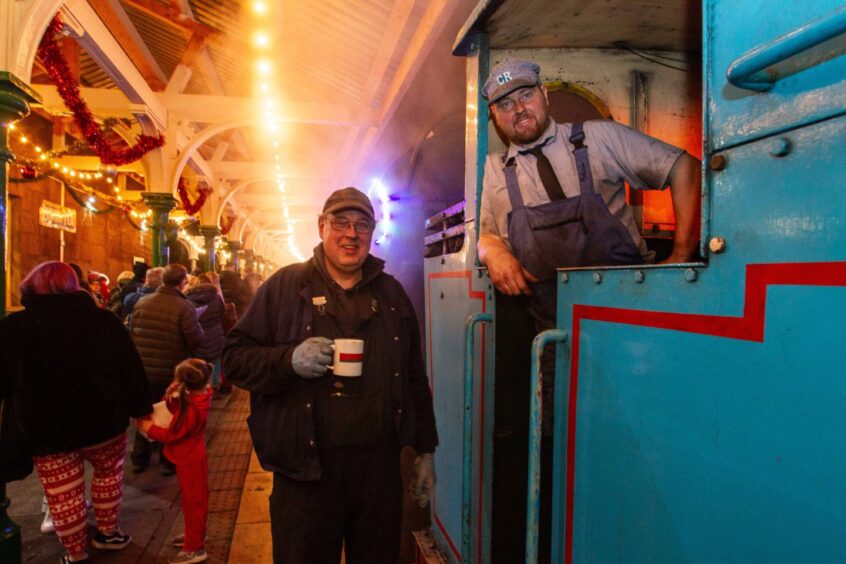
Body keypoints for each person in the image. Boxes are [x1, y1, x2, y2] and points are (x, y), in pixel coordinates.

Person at [477, 58, 702, 561]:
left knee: (644, 455)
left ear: (545, 97)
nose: (519, 109)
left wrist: (682, 254)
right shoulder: (493, 173)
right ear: (494, 118)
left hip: (633, 333)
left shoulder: (598, 139)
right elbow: (483, 231)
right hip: (556, 341)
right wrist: (494, 251)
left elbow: (684, 167)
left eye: (526, 96)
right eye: (505, 105)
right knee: (570, 461)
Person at [223, 187, 438, 563]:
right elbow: (235, 359)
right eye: (340, 222)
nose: (351, 234)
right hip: (306, 474)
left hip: (378, 473)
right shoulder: (286, 287)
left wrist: (425, 451)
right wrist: (289, 360)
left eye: (361, 224)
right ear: (321, 227)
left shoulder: (391, 295)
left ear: (373, 233)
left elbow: (415, 378)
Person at [0, 261, 152, 563]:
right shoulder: (104, 322)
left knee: (63, 493)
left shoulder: (15, 328)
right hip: (104, 423)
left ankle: (75, 552)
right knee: (109, 475)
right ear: (75, 286)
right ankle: (109, 533)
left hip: (46, 430)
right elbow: (130, 369)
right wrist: (140, 409)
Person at [129, 263, 204, 475]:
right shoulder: (184, 307)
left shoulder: (142, 302)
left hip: (145, 368)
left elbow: (133, 331)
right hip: (171, 369)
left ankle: (139, 457)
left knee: (146, 410)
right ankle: (167, 458)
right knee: (171, 412)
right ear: (183, 282)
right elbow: (195, 339)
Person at [137, 359, 213, 564]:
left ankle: (196, 548)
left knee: (194, 503)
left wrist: (148, 428)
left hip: (190, 459)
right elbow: (173, 405)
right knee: (193, 501)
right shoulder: (201, 395)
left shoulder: (191, 410)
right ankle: (194, 535)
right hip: (191, 456)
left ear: (184, 384)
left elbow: (172, 434)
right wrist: (172, 390)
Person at [185, 273, 226, 389]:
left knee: (198, 362)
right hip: (215, 335)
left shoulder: (187, 298)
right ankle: (213, 385)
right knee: (215, 359)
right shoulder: (216, 297)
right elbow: (222, 315)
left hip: (197, 334)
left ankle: (199, 386)